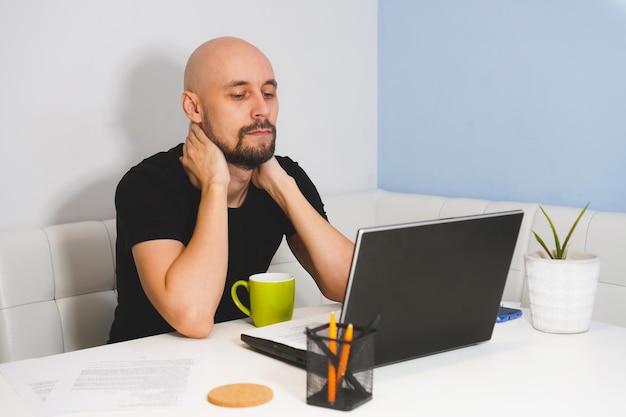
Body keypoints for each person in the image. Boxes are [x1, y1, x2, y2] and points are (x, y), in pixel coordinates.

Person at [108, 37, 354, 343]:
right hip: (145, 365)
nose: (261, 109)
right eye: (239, 95)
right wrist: (215, 185)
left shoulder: (284, 178)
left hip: (232, 355)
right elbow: (193, 318)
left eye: (268, 93)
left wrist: (282, 185)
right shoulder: (147, 185)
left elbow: (349, 286)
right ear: (194, 107)